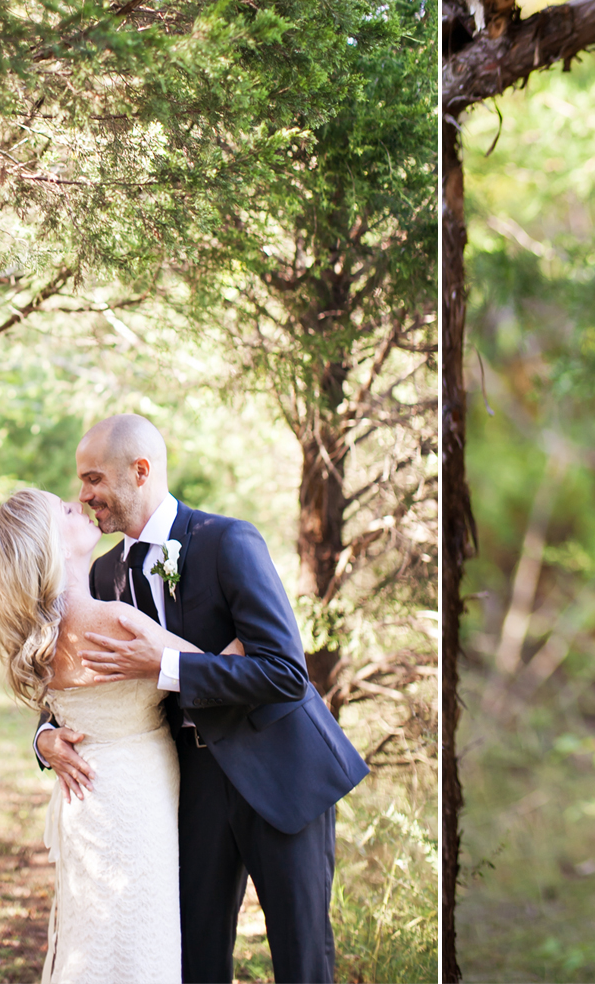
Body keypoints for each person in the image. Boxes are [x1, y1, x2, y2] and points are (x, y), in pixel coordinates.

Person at [34, 415, 369, 984]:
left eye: (93, 479)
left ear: (139, 472)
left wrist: (166, 664)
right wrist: (45, 736)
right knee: (193, 956)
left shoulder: (225, 540)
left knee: (302, 956)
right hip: (187, 786)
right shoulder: (104, 573)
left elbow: (286, 672)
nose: (84, 496)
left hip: (278, 769)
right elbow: (78, 670)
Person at [0, 486, 215, 983]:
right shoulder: (114, 620)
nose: (78, 502)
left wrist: (45, 739)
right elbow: (214, 672)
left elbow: (58, 710)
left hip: (85, 800)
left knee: (97, 934)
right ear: (53, 546)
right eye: (65, 510)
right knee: (139, 936)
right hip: (136, 795)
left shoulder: (37, 640)